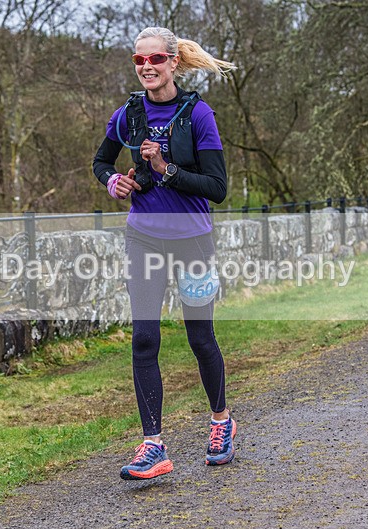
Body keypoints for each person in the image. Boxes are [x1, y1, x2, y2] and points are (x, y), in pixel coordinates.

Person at [92, 26, 237, 480]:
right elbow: (100, 162)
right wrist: (113, 182)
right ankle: (153, 444)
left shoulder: (198, 115)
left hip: (192, 239)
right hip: (144, 239)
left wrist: (165, 168)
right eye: (139, 61)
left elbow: (217, 188)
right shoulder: (128, 114)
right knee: (144, 338)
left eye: (155, 60)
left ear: (174, 62)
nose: (147, 68)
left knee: (200, 337)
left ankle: (221, 422)